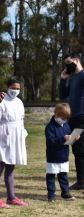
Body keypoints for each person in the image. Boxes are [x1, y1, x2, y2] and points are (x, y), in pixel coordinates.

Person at [0, 76, 29, 208]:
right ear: (6, 88)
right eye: (13, 88)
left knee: (11, 167)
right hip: (1, 138)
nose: (15, 91)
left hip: (15, 139)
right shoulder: (0, 101)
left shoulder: (19, 102)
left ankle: (11, 197)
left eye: (18, 89)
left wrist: (22, 135)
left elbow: (21, 120)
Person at [59, 52, 84, 190]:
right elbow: (62, 95)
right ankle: (81, 180)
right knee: (76, 149)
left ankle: (81, 182)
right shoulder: (74, 79)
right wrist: (63, 79)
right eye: (66, 63)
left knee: (80, 150)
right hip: (73, 119)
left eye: (69, 62)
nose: (67, 65)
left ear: (77, 60)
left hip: (81, 119)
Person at [45, 103, 77, 202]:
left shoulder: (66, 125)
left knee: (63, 175)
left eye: (66, 119)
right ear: (57, 115)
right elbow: (51, 141)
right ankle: (51, 195)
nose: (65, 121)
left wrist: (74, 138)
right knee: (51, 176)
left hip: (64, 155)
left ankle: (65, 192)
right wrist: (63, 138)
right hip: (53, 155)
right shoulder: (50, 127)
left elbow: (68, 138)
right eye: (63, 118)